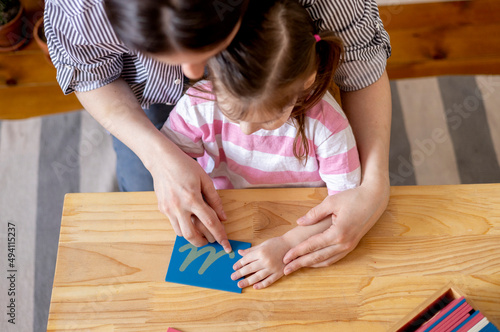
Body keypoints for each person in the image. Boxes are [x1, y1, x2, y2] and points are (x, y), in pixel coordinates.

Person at [44, 0, 391, 269]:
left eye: (207, 51)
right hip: (167, 108)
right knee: (146, 201)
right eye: (161, 52)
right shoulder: (80, 9)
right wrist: (157, 156)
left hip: (258, 85)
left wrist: (375, 186)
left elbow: (364, 67)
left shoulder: (323, 125)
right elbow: (89, 74)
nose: (196, 75)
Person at [160, 0, 360, 289]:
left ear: (306, 81)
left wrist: (288, 245)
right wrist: (191, 205)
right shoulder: (197, 105)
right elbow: (171, 168)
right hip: (229, 219)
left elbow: (346, 205)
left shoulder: (329, 127)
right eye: (233, 113)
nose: (246, 130)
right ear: (212, 76)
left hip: (300, 229)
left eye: (267, 120)